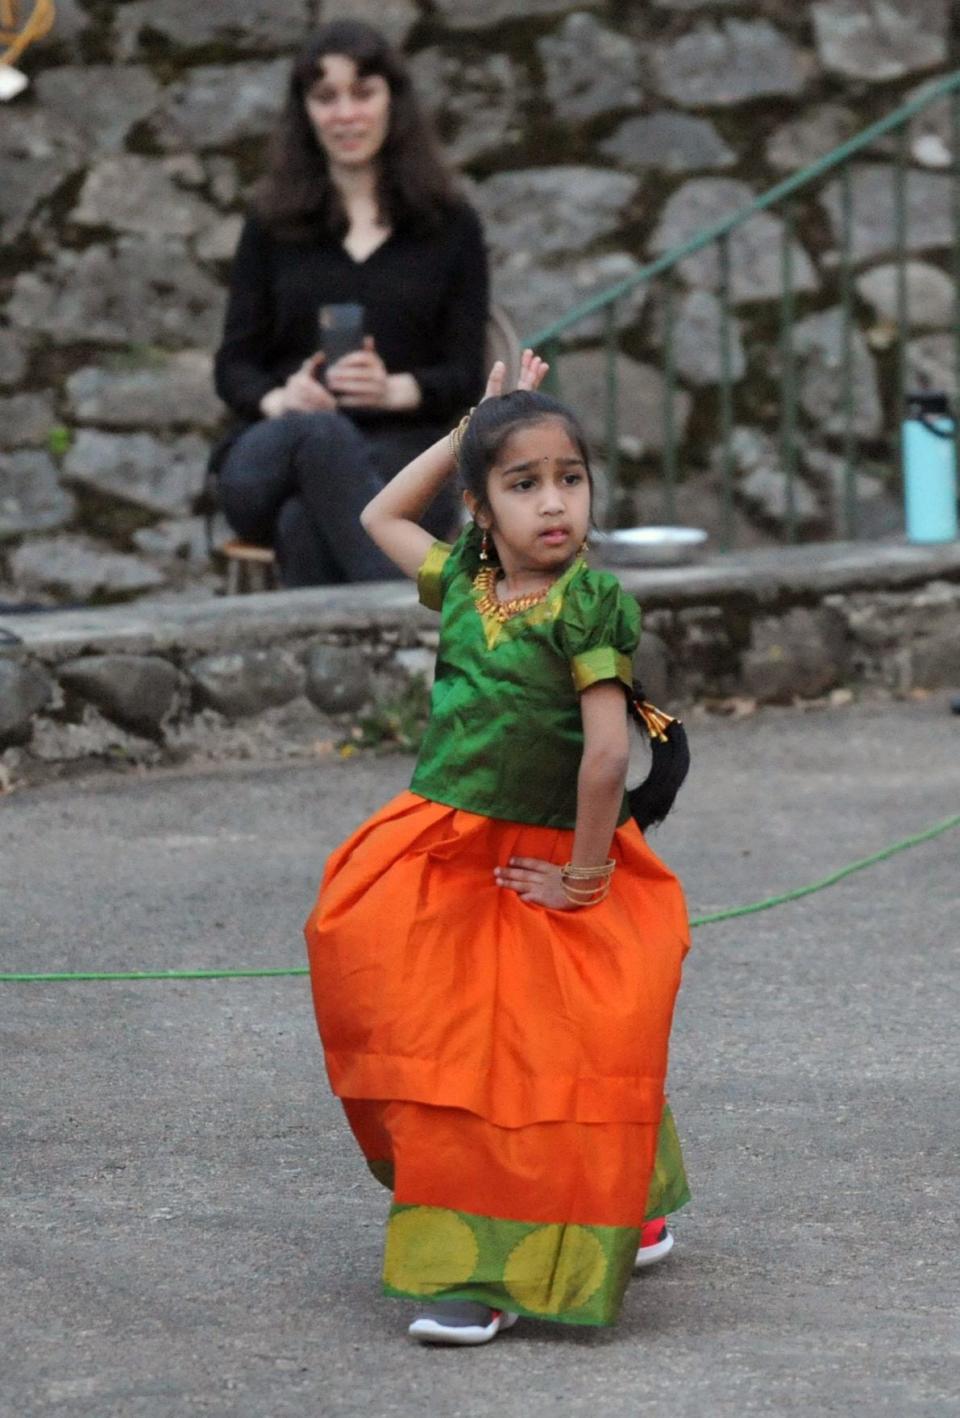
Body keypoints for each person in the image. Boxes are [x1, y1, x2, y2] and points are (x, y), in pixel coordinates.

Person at [304, 351, 692, 1345]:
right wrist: (465, 427)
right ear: (482, 507)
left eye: (570, 477)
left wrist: (586, 875)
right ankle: (624, 1198)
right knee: (425, 1023)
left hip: (554, 855)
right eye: (523, 484)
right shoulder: (470, 580)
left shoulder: (586, 602)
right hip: (444, 842)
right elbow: (379, 519)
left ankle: (473, 1270)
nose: (553, 503)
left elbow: (606, 754)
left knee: (531, 1056)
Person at [211, 20, 488, 587]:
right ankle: (425, 628)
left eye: (363, 93)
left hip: (402, 457)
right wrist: (282, 399)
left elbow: (464, 373)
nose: (345, 114)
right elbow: (233, 366)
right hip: (276, 450)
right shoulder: (270, 226)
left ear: (393, 101)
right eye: (325, 97)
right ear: (305, 113)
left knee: (304, 524)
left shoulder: (449, 227)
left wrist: (395, 389)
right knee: (323, 435)